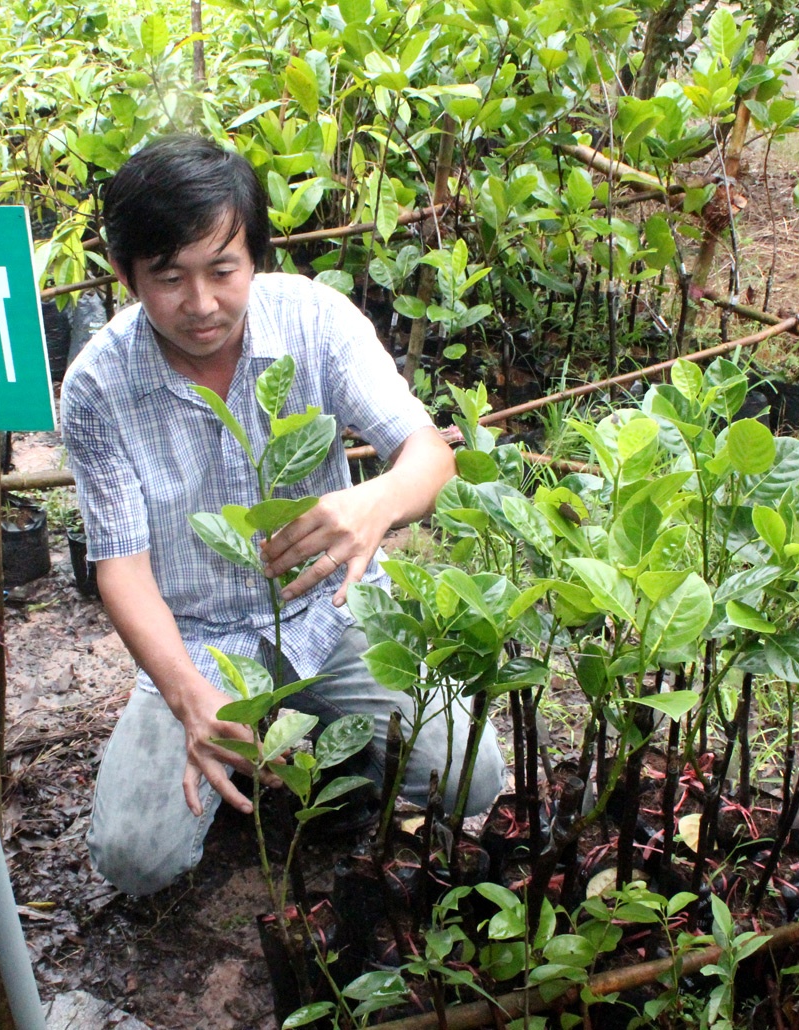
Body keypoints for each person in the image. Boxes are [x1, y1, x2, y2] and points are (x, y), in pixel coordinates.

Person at [61, 134, 504, 896]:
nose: (201, 305)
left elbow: (429, 455)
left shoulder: (314, 322)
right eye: (169, 278)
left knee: (474, 779)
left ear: (255, 257)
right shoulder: (98, 386)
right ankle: (249, 730)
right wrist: (186, 693)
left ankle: (331, 747)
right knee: (136, 862)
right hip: (197, 643)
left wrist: (377, 502)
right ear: (125, 274)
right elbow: (121, 566)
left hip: (332, 613)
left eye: (223, 271)